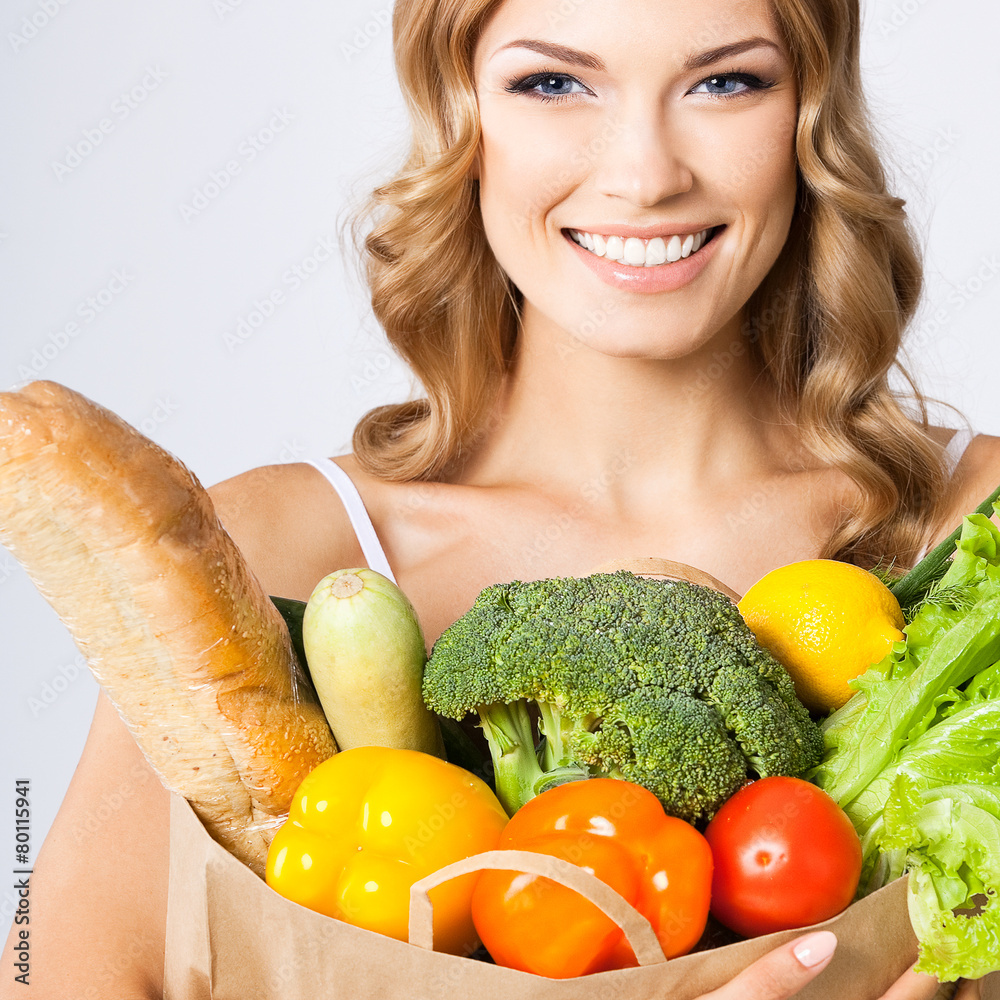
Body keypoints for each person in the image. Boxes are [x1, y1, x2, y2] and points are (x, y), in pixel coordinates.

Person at [1, 0, 994, 996]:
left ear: (809, 116)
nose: (643, 175)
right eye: (553, 82)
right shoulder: (274, 551)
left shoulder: (979, 526)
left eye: (724, 82)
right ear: (460, 111)